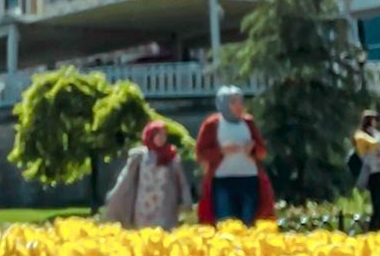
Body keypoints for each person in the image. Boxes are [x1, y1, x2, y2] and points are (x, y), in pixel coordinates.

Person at [195, 85, 276, 226]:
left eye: (240, 102)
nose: (239, 106)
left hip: (249, 179)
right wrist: (221, 151)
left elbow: (262, 151)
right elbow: (200, 154)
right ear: (224, 105)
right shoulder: (212, 124)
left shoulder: (248, 122)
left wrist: (252, 149)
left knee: (249, 223)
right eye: (233, 102)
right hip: (223, 181)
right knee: (226, 223)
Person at [102, 120, 192, 229]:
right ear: (150, 136)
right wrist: (114, 195)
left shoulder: (171, 157)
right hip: (143, 209)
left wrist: (187, 201)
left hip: (165, 208)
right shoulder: (139, 156)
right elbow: (126, 178)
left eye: (164, 134)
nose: (161, 138)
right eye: (158, 134)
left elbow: (181, 182)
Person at [353, 110, 380, 231]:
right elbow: (375, 144)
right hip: (371, 172)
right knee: (377, 203)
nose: (376, 123)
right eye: (374, 120)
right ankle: (373, 229)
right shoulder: (361, 135)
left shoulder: (376, 133)